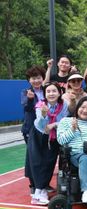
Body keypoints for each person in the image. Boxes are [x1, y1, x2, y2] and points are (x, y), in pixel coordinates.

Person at [28, 82, 69, 205]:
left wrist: (55, 124)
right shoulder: (40, 105)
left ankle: (41, 191)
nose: (51, 94)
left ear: (60, 92)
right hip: (39, 136)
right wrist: (44, 115)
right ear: (45, 94)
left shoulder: (64, 105)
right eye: (48, 91)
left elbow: (63, 121)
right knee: (38, 162)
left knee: (50, 162)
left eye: (54, 91)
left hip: (55, 137)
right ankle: (37, 193)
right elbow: (42, 126)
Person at [21, 66, 45, 195]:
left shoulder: (47, 91)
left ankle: (43, 183)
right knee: (33, 158)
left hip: (44, 129)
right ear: (29, 80)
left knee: (44, 157)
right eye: (33, 78)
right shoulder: (26, 92)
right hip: (31, 129)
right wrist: (30, 99)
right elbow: (27, 108)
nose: (36, 80)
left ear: (42, 78)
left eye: (38, 78)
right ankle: (34, 185)